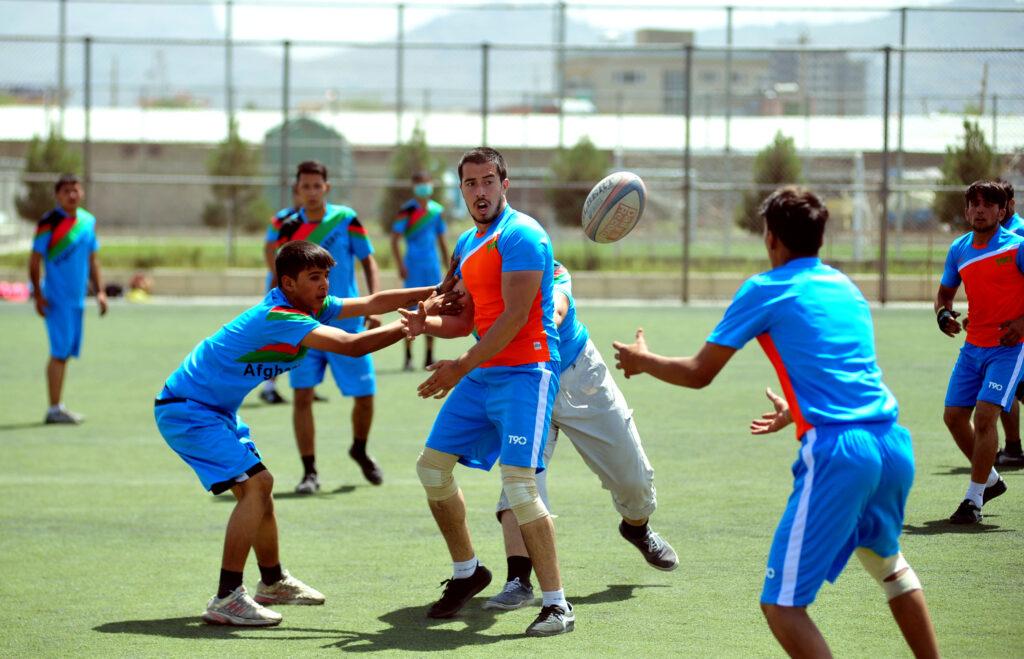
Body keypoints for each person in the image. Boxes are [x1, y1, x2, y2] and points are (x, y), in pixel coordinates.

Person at [612, 187, 939, 658]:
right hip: (891, 443)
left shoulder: (766, 288)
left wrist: (644, 361)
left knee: (781, 606)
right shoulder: (846, 287)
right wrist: (798, 409)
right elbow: (843, 369)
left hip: (840, 453)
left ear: (771, 239)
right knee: (890, 567)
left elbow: (699, 373)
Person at [154, 240, 461, 627]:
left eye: (326, 277)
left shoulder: (306, 304)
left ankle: (272, 581)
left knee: (260, 488)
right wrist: (416, 320)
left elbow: (371, 302)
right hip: (188, 410)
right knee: (256, 485)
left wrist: (438, 289)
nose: (325, 285)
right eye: (314, 278)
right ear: (288, 282)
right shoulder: (281, 316)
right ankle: (227, 597)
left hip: (214, 411)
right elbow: (351, 346)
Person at [399, 147, 574, 637]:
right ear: (462, 191)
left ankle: (557, 604)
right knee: (431, 468)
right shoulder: (470, 241)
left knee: (519, 484)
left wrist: (459, 368)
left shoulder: (521, 235)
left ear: (505, 183)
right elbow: (470, 321)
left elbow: (516, 317)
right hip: (484, 369)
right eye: (470, 183)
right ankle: (468, 571)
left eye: (488, 180)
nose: (480, 191)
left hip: (526, 371)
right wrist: (426, 321)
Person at [480, 260, 677, 612]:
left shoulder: (549, 267)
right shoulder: (480, 272)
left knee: (633, 477)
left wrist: (542, 325)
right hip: (523, 381)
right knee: (519, 480)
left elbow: (557, 305)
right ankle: (518, 579)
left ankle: (637, 527)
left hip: (578, 376)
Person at [265, 161, 383, 494]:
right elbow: (281, 277)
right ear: (297, 190)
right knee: (302, 396)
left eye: (318, 185)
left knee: (365, 395)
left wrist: (372, 301)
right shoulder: (287, 228)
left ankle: (359, 447)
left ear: (326, 188)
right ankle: (310, 471)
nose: (312, 191)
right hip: (304, 326)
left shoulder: (346, 219)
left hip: (346, 320)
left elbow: (368, 260)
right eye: (306, 186)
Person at [935, 179, 1024, 523]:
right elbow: (944, 294)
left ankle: (973, 501)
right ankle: (989, 479)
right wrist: (943, 315)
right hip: (973, 348)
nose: (980, 210)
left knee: (985, 416)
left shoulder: (1017, 247)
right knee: (954, 418)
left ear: (1003, 211)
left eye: (988, 204)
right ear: (966, 209)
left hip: (1009, 349)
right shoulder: (959, 249)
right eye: (974, 204)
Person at [29, 173, 108, 424]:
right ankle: (54, 409)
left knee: (66, 352)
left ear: (81, 192)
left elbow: (92, 259)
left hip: (77, 300)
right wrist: (38, 295)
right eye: (66, 191)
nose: (72, 195)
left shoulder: (87, 221)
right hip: (56, 299)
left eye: (75, 190)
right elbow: (34, 260)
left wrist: (101, 291)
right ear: (57, 195)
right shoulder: (48, 222)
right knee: (59, 353)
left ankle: (57, 406)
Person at [390, 170, 449, 371]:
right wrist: (400, 265)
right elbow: (394, 240)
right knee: (411, 310)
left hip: (432, 266)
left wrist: (449, 266)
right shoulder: (406, 211)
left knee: (433, 308)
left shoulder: (437, 211)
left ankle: (429, 356)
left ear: (431, 184)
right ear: (414, 187)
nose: (424, 187)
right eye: (419, 184)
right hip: (413, 266)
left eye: (426, 183)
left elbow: (441, 240)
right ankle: (408, 357)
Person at [259, 186, 302, 405]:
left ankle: (305, 387)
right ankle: (269, 386)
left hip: (303, 289)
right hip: (284, 287)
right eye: (302, 190)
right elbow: (268, 248)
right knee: (279, 338)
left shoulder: (320, 220)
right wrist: (278, 277)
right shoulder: (283, 219)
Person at [994, 179, 1024, 467]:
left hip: (1018, 330)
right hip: (1004, 329)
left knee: (1006, 386)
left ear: (1009, 205)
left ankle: (1014, 448)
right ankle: (1013, 447)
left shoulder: (1017, 236)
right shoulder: (996, 235)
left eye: (994, 203)